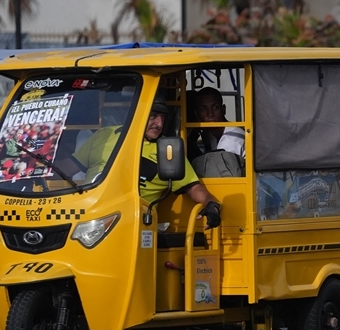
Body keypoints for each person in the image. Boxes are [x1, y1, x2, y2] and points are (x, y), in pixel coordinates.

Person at [56, 100, 221, 228]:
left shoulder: (168, 149)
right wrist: (36, 172)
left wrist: (211, 204)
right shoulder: (105, 135)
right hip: (89, 215)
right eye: (153, 116)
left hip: (134, 223)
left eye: (163, 118)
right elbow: (69, 167)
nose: (159, 124)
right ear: (137, 114)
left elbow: (193, 187)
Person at [189, 87, 246, 160]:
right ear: (197, 114)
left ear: (223, 109)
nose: (210, 114)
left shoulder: (230, 140)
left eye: (215, 107)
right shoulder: (214, 136)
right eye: (203, 109)